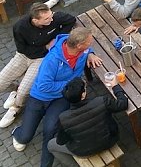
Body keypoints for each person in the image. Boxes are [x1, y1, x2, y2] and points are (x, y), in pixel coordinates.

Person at [12, 28, 101, 167]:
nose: (92, 42)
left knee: (50, 130)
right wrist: (71, 84)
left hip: (60, 98)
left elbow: (88, 50)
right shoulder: (52, 60)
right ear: (79, 45)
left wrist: (91, 54)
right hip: (40, 97)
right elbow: (43, 86)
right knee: (24, 137)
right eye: (89, 42)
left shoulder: (81, 49)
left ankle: (45, 165)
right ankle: (18, 131)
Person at [0, 3, 76, 130]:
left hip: (41, 59)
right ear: (35, 20)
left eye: (51, 15)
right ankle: (16, 90)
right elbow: (22, 49)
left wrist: (57, 38)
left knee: (25, 91)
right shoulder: (20, 27)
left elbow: (71, 20)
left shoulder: (54, 17)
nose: (51, 20)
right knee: (1, 83)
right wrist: (45, 47)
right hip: (24, 56)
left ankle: (16, 107)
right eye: (47, 19)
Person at [46, 76, 127, 167]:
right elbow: (123, 104)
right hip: (109, 141)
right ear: (83, 95)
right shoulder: (101, 101)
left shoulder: (63, 118)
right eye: (85, 88)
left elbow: (60, 141)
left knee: (50, 145)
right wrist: (115, 86)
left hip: (83, 151)